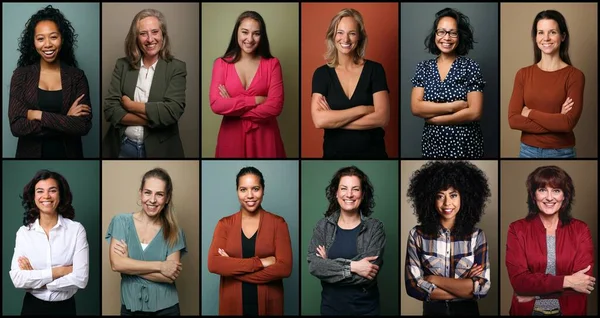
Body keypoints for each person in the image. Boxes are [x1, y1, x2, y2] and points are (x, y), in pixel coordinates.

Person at [405, 161, 491, 316]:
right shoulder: (417, 235)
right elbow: (413, 287)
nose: (447, 203)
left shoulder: (476, 236)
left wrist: (433, 279)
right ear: (430, 199)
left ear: (464, 197)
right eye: (440, 196)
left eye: (453, 195)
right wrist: (466, 290)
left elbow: (483, 288)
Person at [505, 166, 594, 316]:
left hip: (571, 311)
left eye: (556, 191)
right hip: (528, 312)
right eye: (542, 190)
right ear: (533, 195)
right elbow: (519, 282)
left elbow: (584, 283)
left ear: (565, 196)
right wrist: (568, 281)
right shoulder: (517, 229)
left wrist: (534, 293)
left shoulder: (581, 230)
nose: (549, 197)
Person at [8, 5, 92, 158]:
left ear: (62, 38)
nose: (47, 44)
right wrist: (66, 120)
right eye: (40, 38)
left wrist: (38, 114)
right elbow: (17, 126)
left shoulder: (77, 77)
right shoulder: (21, 76)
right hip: (29, 157)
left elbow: (83, 125)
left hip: (69, 156)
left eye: (53, 37)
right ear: (33, 42)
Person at [207, 167, 292, 315]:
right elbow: (214, 264)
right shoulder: (224, 224)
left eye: (255, 189)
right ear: (237, 191)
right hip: (232, 304)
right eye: (243, 189)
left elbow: (284, 268)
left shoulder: (278, 223)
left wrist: (232, 269)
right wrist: (261, 262)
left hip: (269, 305)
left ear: (263, 190)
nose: (250, 195)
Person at [103, 9, 187, 158]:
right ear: (135, 38)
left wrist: (131, 106)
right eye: (143, 34)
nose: (150, 39)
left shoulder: (176, 67)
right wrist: (156, 119)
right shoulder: (122, 65)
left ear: (163, 34)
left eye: (155, 32)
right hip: (123, 147)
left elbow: (172, 112)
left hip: (161, 149)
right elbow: (110, 110)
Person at [310, 9, 390, 159]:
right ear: (332, 36)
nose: (345, 39)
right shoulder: (321, 74)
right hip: (333, 157)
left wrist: (334, 121)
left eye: (352, 33)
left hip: (373, 155)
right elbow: (319, 120)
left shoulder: (375, 70)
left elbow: (382, 118)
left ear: (359, 37)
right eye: (340, 32)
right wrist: (363, 109)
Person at [106, 168, 187, 315]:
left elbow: (170, 276)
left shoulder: (175, 232)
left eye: (160, 194)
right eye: (147, 192)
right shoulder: (121, 222)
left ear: (167, 198)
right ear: (140, 193)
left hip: (167, 309)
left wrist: (129, 265)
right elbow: (116, 264)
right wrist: (161, 266)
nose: (152, 200)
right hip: (130, 307)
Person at [307, 166, 386, 315]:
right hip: (331, 309)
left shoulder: (375, 228)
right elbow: (315, 266)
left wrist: (329, 264)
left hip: (366, 310)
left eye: (355, 189)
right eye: (344, 188)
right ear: (336, 193)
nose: (349, 194)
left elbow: (368, 274)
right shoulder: (323, 226)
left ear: (362, 194)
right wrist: (354, 266)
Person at [9, 170, 89, 315]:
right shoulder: (24, 233)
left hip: (65, 308)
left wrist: (37, 279)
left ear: (61, 195)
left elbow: (81, 278)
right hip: (32, 308)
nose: (46, 196)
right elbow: (17, 279)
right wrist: (61, 271)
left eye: (52, 190)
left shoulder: (76, 230)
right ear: (33, 197)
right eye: (40, 191)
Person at [507, 10, 584, 158]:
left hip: (562, 152)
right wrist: (556, 120)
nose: (546, 38)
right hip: (527, 151)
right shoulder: (523, 74)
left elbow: (567, 123)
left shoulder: (575, 76)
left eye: (552, 32)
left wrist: (530, 113)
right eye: (540, 32)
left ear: (563, 36)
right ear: (535, 37)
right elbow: (513, 120)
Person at [209, 11, 286, 158]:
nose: (250, 39)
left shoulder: (272, 64)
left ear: (262, 36)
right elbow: (216, 105)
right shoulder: (221, 64)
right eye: (245, 32)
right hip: (231, 137)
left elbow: (275, 106)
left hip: (265, 136)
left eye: (256, 33)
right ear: (236, 32)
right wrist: (256, 100)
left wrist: (232, 107)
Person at [410, 8, 485, 159]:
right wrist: (453, 106)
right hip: (432, 144)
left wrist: (437, 119)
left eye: (453, 32)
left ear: (460, 36)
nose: (446, 37)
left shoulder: (470, 66)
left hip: (465, 144)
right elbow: (416, 107)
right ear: (435, 35)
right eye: (441, 32)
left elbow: (475, 112)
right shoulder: (423, 67)